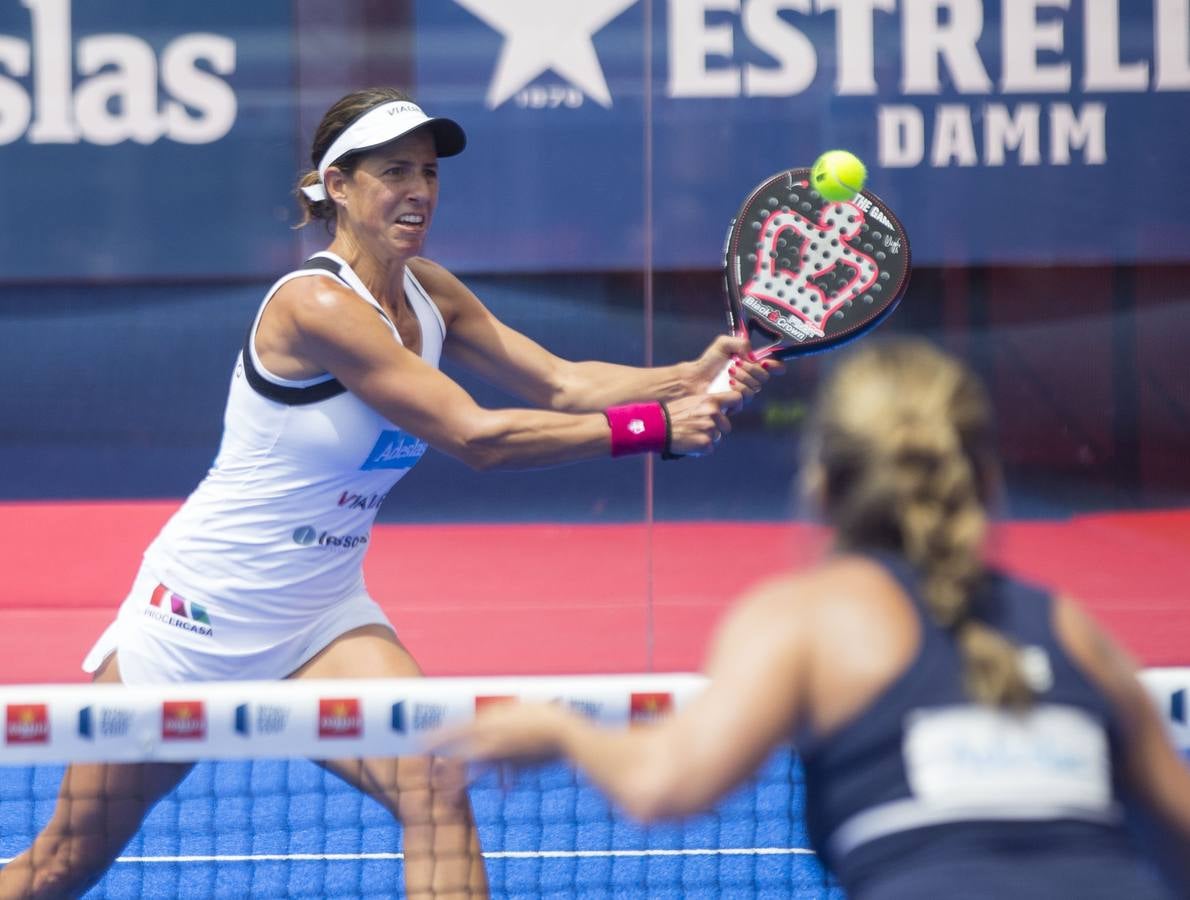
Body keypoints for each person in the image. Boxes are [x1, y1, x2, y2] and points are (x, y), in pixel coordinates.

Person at [0, 87, 779, 900]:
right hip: (195, 620)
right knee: (60, 865)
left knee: (438, 781)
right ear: (338, 184)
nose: (419, 190)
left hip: (320, 619)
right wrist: (654, 427)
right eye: (395, 171)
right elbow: (479, 438)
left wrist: (690, 376)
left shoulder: (430, 291)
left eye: (431, 173)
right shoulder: (315, 305)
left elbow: (562, 380)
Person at [437, 337, 1190, 899]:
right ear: (985, 482)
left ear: (822, 484)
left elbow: (663, 786)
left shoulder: (805, 622)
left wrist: (563, 731)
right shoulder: (1077, 633)